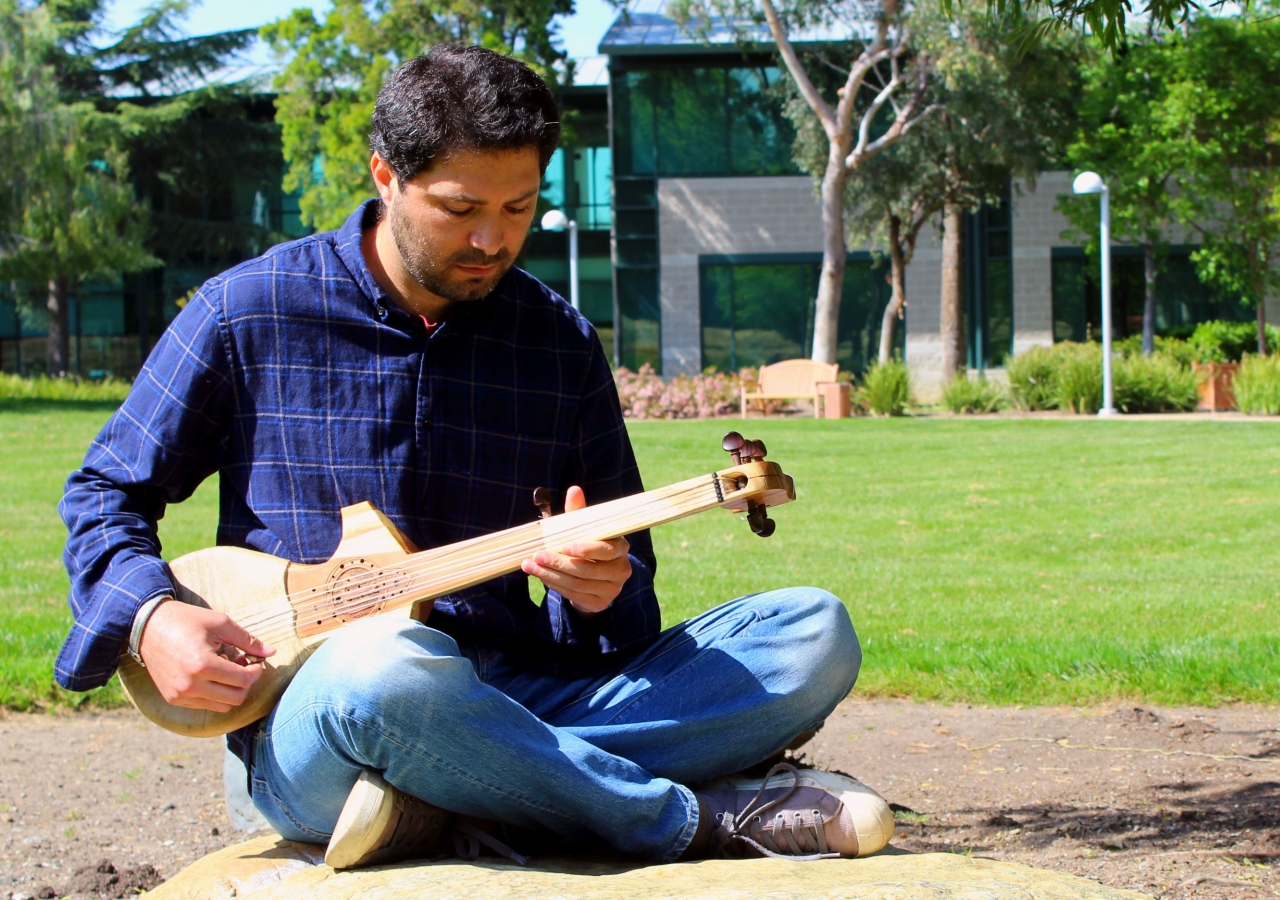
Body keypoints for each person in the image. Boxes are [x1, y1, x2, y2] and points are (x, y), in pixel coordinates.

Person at [56, 45, 892, 869]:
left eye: (520, 209)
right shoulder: (246, 312)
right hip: (319, 717)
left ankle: (455, 796)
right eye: (460, 209)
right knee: (384, 674)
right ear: (385, 177)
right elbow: (103, 493)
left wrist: (599, 590)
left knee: (811, 632)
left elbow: (624, 615)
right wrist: (150, 615)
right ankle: (687, 819)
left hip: (520, 693)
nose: (493, 240)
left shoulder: (556, 342)